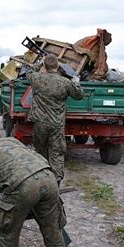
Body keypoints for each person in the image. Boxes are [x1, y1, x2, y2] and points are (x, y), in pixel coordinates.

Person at [27, 54, 83, 186]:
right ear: (58, 66)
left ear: (44, 66)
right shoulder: (65, 82)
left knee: (40, 151)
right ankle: (56, 183)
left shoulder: (36, 78)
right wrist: (76, 83)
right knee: (57, 153)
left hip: (40, 122)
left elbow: (29, 72)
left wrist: (39, 63)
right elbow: (78, 96)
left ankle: (41, 179)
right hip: (57, 124)